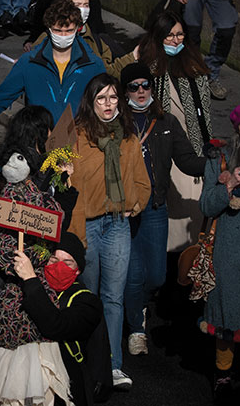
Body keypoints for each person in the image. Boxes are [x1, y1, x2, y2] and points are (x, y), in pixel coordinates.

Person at [68, 73, 150, 390]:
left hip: (117, 222)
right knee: (88, 297)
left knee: (113, 297)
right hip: (86, 224)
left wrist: (136, 203)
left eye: (113, 97)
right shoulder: (77, 136)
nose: (107, 104)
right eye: (101, 98)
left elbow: (142, 180)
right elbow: (66, 185)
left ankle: (114, 365)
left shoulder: (127, 137)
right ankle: (90, 361)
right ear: (91, 101)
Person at [120, 62, 204, 358]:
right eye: (134, 86)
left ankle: (137, 304)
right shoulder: (117, 123)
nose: (141, 91)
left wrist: (219, 165)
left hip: (156, 207)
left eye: (145, 86)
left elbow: (187, 160)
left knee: (155, 275)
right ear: (125, 90)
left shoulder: (166, 121)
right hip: (125, 210)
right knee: (132, 274)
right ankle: (137, 330)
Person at [135, 11, 212, 251]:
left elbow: (204, 113)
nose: (176, 40)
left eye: (179, 35)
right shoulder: (150, 72)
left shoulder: (195, 68)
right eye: (169, 36)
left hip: (194, 150)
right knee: (172, 226)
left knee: (193, 219)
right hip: (166, 150)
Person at [0, 0, 105, 126]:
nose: (64, 36)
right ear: (48, 28)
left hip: (79, 143)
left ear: (77, 29)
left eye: (69, 31)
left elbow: (106, 105)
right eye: (58, 31)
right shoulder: (28, 64)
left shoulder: (94, 65)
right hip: (39, 141)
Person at [13, 233, 105, 406]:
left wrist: (31, 280)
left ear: (78, 269)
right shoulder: (21, 289)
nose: (59, 267)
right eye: (53, 260)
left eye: (67, 263)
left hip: (66, 390)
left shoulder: (88, 303)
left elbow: (55, 326)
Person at [199, 127, 240, 403]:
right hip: (228, 250)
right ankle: (223, 373)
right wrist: (230, 184)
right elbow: (206, 206)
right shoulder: (220, 158)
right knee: (227, 313)